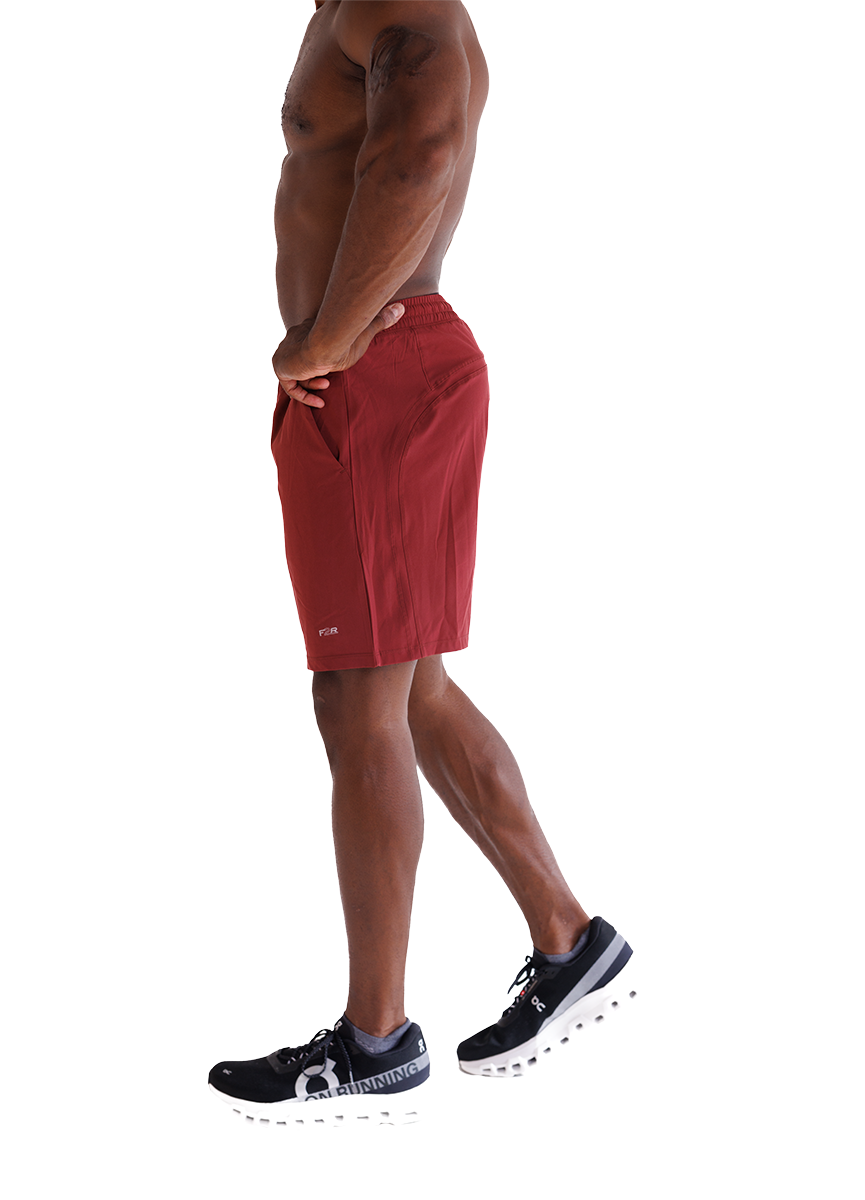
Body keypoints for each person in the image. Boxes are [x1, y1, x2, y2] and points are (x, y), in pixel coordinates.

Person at [208, 0, 634, 1130]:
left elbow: (423, 151)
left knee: (358, 700)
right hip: (371, 367)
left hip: (380, 368)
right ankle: (571, 941)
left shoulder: (398, 3)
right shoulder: (343, 11)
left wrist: (327, 337)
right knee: (415, 690)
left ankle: (375, 1043)